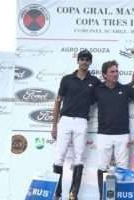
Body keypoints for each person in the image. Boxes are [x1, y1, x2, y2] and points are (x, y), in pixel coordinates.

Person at [95, 60, 134, 200]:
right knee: (102, 167)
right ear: (104, 75)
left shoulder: (125, 89)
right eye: (112, 72)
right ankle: (103, 196)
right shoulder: (97, 90)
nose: (115, 74)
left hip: (122, 135)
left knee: (122, 168)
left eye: (116, 71)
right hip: (103, 134)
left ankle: (120, 197)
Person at [51, 49, 101, 200]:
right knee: (59, 157)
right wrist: (54, 125)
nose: (84, 62)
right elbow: (58, 101)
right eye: (82, 59)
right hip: (65, 120)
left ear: (90, 62)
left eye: (87, 59)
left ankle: (74, 195)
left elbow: (100, 98)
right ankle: (57, 193)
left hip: (82, 121)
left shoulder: (95, 82)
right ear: (77, 61)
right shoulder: (66, 79)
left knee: (79, 158)